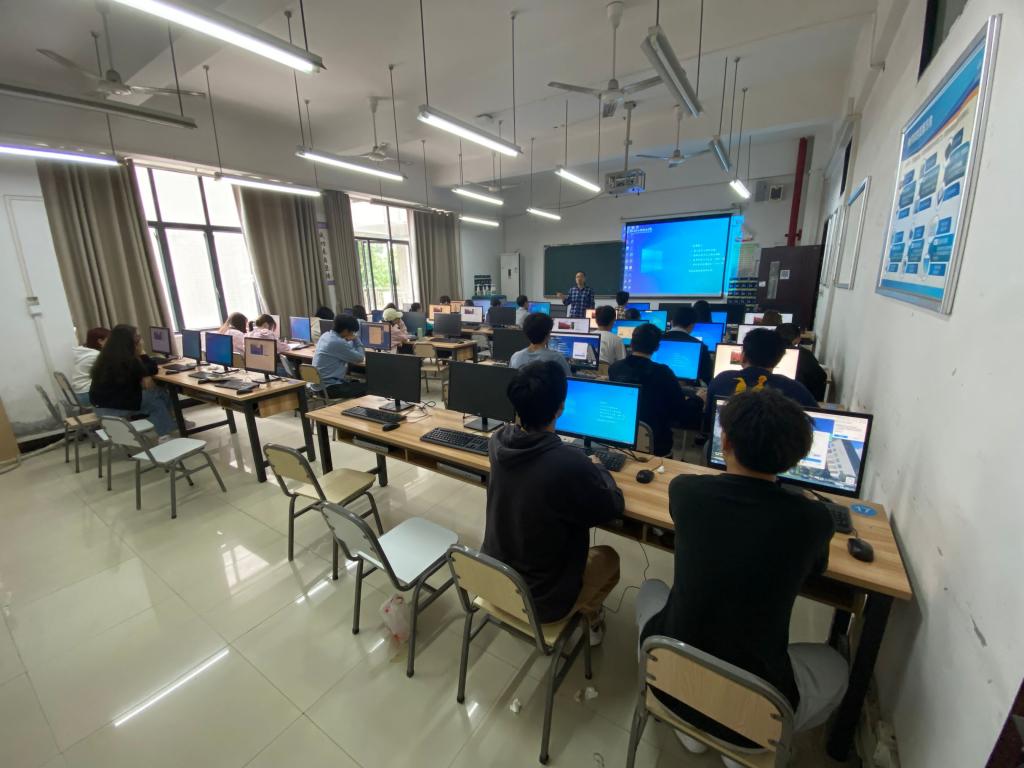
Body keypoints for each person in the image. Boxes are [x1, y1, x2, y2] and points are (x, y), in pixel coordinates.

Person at [636, 389, 846, 762]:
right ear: (796, 457)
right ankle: (740, 746)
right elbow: (816, 569)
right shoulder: (813, 520)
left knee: (651, 588)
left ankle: (691, 727)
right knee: (838, 667)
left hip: (669, 679)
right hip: (760, 702)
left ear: (726, 443)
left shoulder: (686, 491)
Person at [484, 360, 624, 643]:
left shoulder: (497, 440)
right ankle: (591, 619)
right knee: (609, 557)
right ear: (560, 408)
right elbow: (612, 507)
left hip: (493, 578)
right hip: (543, 602)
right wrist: (599, 469)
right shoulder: (568, 463)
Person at [608, 324, 703, 456]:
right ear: (657, 347)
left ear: (631, 343)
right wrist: (698, 399)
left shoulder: (615, 368)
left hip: (619, 438)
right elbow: (681, 413)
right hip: (656, 444)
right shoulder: (663, 373)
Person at [89, 324, 176, 436]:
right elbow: (152, 369)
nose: (139, 339)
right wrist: (143, 353)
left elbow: (143, 371)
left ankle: (169, 425)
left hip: (100, 406)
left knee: (157, 397)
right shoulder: (126, 359)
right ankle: (170, 427)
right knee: (157, 396)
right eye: (137, 337)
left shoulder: (107, 355)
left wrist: (145, 374)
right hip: (113, 408)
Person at [707, 328, 817, 409]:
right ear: (778, 360)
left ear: (743, 356)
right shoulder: (795, 389)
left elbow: (708, 424)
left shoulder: (721, 380)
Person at [312, 314, 367, 399]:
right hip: (329, 389)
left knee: (356, 382)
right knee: (369, 387)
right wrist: (356, 339)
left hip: (317, 386)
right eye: (352, 332)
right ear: (346, 330)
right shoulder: (337, 342)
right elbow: (360, 358)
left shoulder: (325, 335)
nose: (353, 334)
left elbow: (344, 349)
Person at [777, 323, 827, 402]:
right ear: (798, 338)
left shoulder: (769, 352)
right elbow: (821, 376)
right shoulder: (804, 354)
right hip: (798, 401)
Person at [664, 306, 712, 384]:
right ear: (692, 325)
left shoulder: (656, 339)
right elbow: (707, 377)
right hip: (687, 388)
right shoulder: (701, 346)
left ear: (672, 322)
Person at [71, 327, 110, 406]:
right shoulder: (96, 356)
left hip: (80, 394)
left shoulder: (85, 353)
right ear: (100, 341)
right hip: (88, 395)